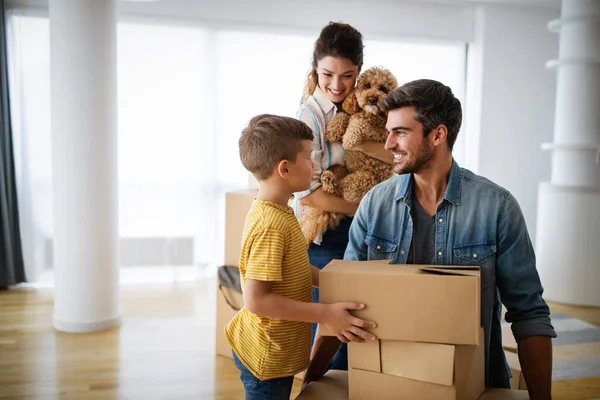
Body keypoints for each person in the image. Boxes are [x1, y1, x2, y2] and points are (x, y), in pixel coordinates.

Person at [304, 79, 557, 399]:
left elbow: (529, 314)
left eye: (401, 132)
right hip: (386, 380)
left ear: (438, 135)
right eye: (388, 131)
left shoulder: (497, 208)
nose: (388, 144)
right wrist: (309, 384)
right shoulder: (374, 204)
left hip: (472, 384)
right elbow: (341, 300)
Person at [224, 114, 377, 400]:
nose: (315, 164)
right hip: (267, 360)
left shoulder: (281, 211)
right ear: (284, 169)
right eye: (308, 157)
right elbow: (257, 301)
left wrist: (332, 281)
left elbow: (293, 267)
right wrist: (326, 313)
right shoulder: (271, 225)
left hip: (276, 351)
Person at [293, 21, 392, 371]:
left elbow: (396, 157)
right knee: (332, 332)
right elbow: (309, 197)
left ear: (360, 74)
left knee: (360, 326)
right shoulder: (311, 115)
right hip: (327, 235)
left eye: (348, 76)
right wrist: (368, 208)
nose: (337, 85)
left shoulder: (368, 110)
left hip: (359, 231)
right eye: (327, 75)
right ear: (315, 70)